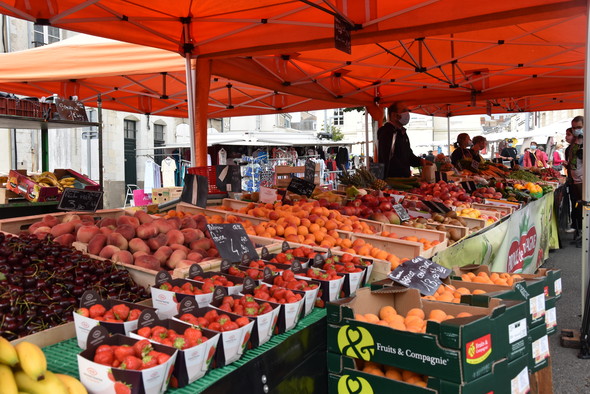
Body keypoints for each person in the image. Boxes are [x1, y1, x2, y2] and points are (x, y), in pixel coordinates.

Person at [377, 102, 426, 178]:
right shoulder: (387, 132)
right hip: (393, 181)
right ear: (393, 115)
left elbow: (408, 154)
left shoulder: (402, 133)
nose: (407, 113)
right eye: (403, 111)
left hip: (404, 179)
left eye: (407, 110)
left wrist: (420, 161)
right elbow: (388, 158)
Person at [566, 116, 584, 246]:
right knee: (578, 207)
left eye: (578, 127)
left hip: (583, 180)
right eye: (574, 127)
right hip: (575, 179)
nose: (576, 130)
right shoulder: (574, 143)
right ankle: (580, 233)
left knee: (584, 208)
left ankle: (584, 236)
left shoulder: (586, 142)